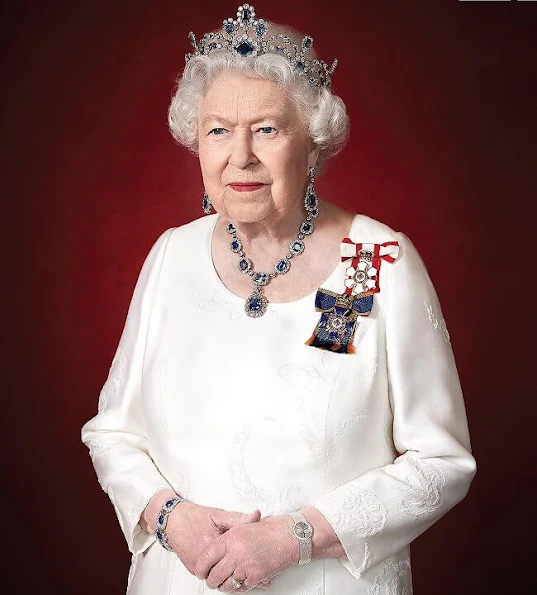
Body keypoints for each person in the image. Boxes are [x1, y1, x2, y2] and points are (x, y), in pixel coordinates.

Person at [81, 4, 477, 594]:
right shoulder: (171, 257)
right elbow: (112, 434)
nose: (240, 156)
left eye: (267, 128)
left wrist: (294, 537)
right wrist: (170, 518)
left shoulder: (367, 264)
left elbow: (438, 463)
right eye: (218, 130)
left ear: (313, 144)